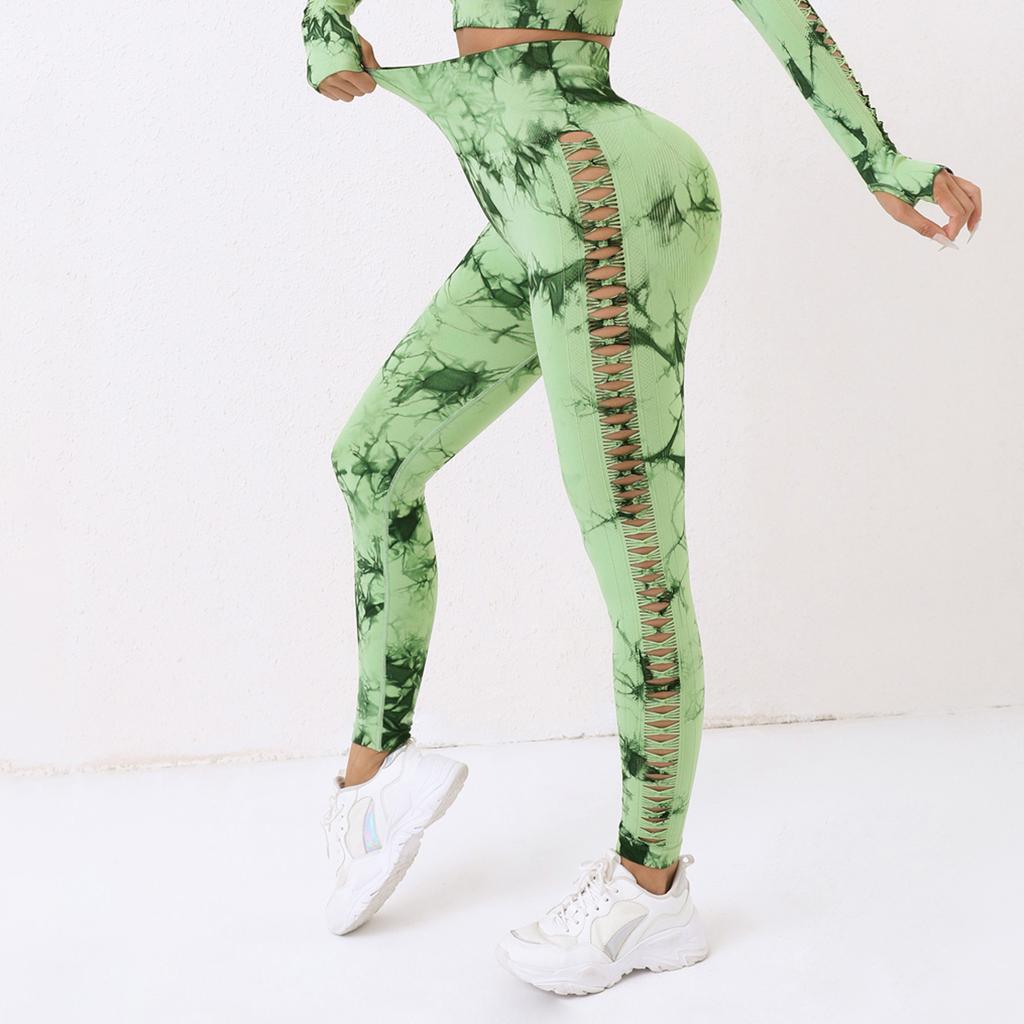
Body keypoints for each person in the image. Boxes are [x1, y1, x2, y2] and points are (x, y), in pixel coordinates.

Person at [304, 0, 981, 996]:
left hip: (599, 193)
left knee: (632, 548)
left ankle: (649, 886)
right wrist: (323, 20)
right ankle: (376, 776)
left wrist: (878, 157)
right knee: (371, 460)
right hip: (527, 196)